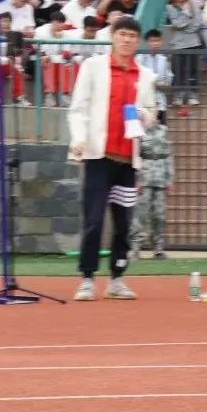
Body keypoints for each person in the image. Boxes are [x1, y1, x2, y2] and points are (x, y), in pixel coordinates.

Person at [67, 17, 159, 302]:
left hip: (128, 160)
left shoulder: (145, 75)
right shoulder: (93, 67)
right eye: (122, 34)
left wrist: (142, 115)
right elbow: (78, 108)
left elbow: (152, 114)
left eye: (132, 36)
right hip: (98, 157)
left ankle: (117, 278)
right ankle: (87, 278)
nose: (127, 40)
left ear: (138, 41)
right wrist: (79, 138)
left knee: (123, 223)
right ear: (113, 37)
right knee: (93, 219)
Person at [131, 108, 175, 260]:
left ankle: (158, 248)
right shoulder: (138, 132)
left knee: (159, 215)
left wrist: (170, 178)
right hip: (144, 177)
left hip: (160, 178)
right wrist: (136, 178)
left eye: (154, 111)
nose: (152, 114)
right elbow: (135, 156)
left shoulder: (163, 131)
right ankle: (135, 248)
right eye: (149, 111)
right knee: (140, 214)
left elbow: (168, 156)